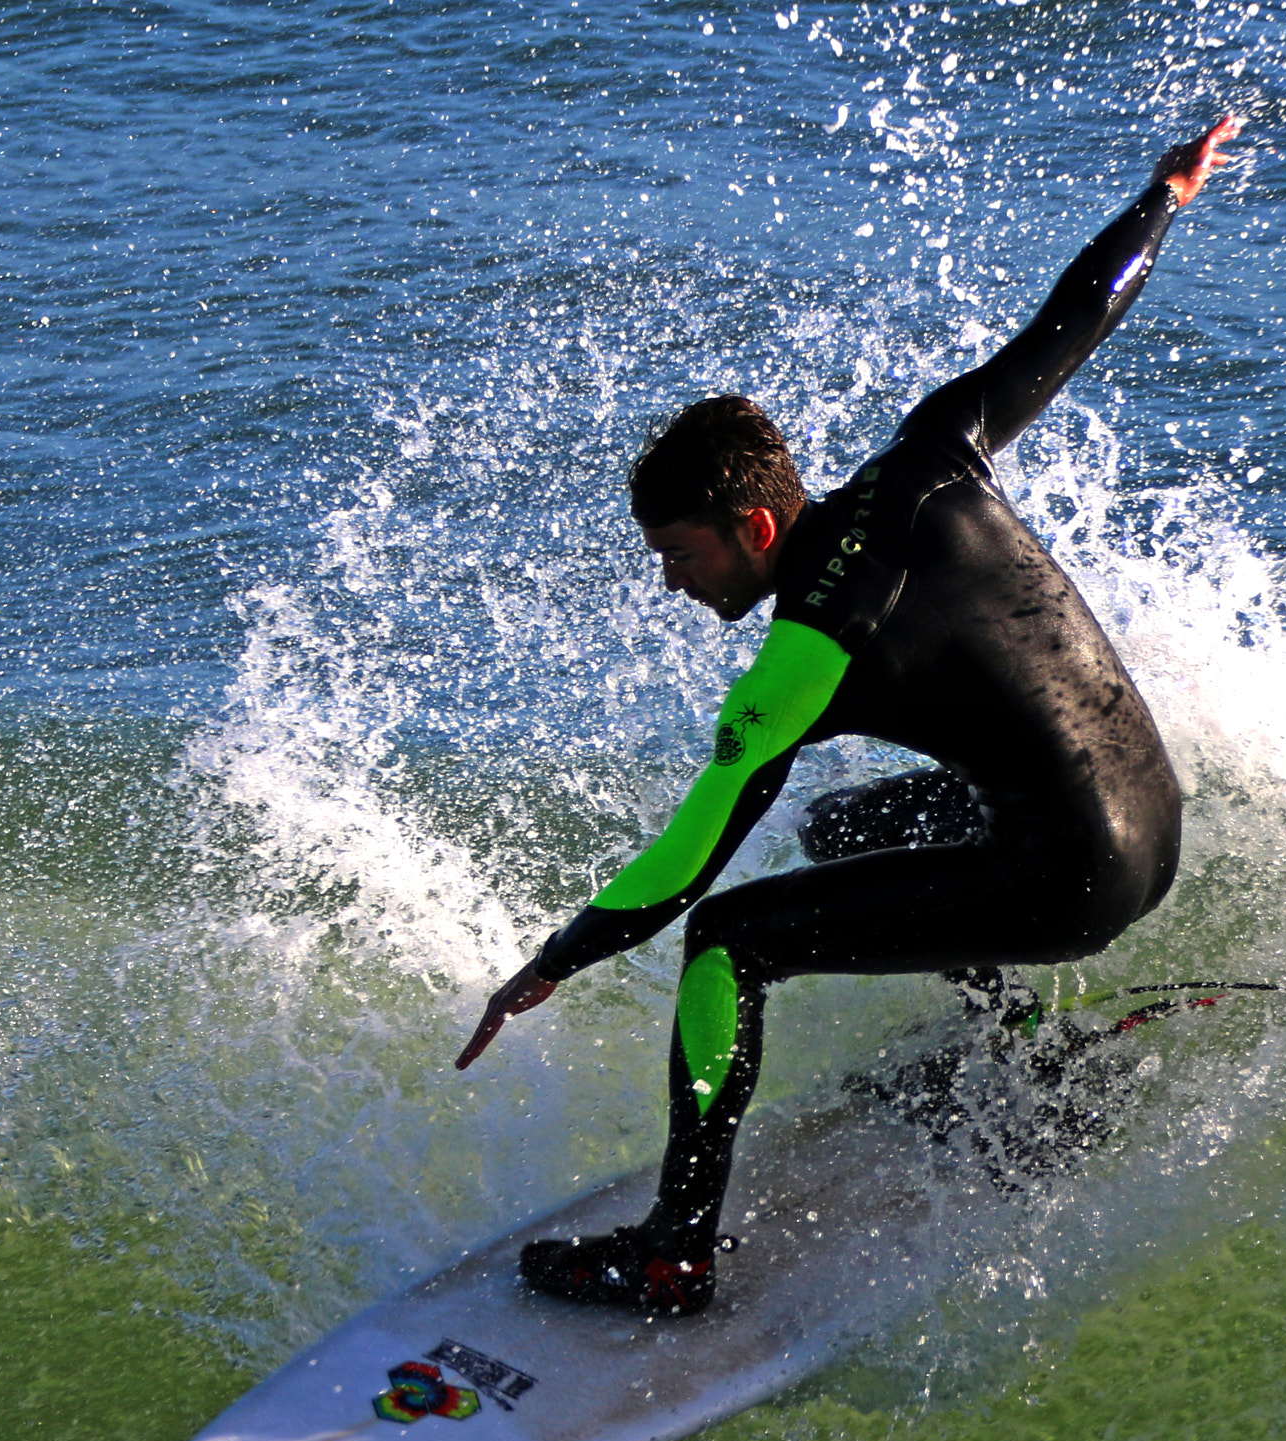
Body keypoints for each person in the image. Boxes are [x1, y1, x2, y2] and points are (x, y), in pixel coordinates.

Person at [456, 115, 1243, 1315]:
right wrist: (1164, 199)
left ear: (753, 530)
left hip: (1070, 882)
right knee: (842, 832)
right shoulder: (928, 456)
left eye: (677, 553)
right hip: (1150, 830)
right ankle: (1018, 1041)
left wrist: (550, 961)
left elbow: (682, 865)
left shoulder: (800, 661)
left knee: (726, 939)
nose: (671, 581)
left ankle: (675, 1249)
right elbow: (1071, 320)